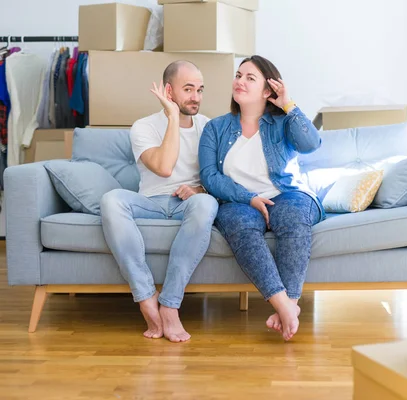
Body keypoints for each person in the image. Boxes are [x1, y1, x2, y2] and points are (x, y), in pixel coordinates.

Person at [199, 55, 325, 341]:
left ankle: (289, 304)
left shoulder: (282, 122)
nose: (239, 81)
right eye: (238, 75)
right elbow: (210, 177)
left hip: (286, 195)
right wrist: (249, 198)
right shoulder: (215, 128)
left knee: (293, 216)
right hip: (239, 202)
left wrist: (289, 105)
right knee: (239, 224)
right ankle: (285, 307)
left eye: (250, 78)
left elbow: (311, 144)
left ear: (268, 90)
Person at [101, 60, 218, 343]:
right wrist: (174, 118)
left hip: (187, 205)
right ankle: (145, 297)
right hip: (150, 203)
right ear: (168, 91)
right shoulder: (143, 127)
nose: (196, 97)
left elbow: (219, 176)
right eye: (188, 89)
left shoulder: (209, 127)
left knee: (206, 204)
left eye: (200, 90)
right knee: (111, 200)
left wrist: (200, 188)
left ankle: (170, 305)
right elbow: (164, 167)